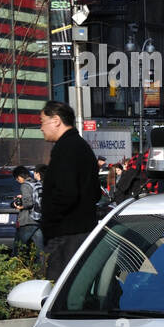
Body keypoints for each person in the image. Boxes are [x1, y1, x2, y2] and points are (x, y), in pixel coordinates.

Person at [38, 101, 99, 280]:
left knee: (57, 291)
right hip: (80, 232)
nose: (40, 127)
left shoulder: (67, 148)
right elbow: (95, 192)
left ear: (56, 120)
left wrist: (49, 221)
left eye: (42, 121)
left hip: (65, 236)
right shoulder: (80, 146)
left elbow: (66, 193)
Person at [12, 166, 42, 253]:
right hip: (37, 219)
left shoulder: (24, 185)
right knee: (40, 251)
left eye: (17, 179)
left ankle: (15, 265)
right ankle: (43, 266)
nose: (18, 181)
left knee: (17, 248)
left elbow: (28, 203)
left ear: (19, 177)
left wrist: (20, 207)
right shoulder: (36, 183)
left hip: (27, 221)